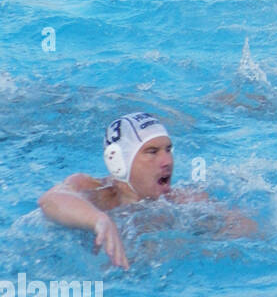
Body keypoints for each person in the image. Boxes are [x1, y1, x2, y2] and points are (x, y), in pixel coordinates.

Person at [37, 112, 255, 270]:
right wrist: (98, 220)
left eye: (168, 149)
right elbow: (50, 200)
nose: (167, 161)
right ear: (118, 162)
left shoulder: (183, 201)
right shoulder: (94, 192)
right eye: (152, 152)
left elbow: (248, 232)